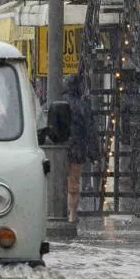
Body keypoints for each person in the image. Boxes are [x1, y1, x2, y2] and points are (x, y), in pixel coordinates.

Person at [62, 74, 101, 221]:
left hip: (60, 147)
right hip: (77, 148)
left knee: (58, 181)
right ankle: (72, 214)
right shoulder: (83, 106)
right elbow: (90, 131)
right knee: (74, 183)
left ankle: (59, 212)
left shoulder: (55, 102)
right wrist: (95, 155)